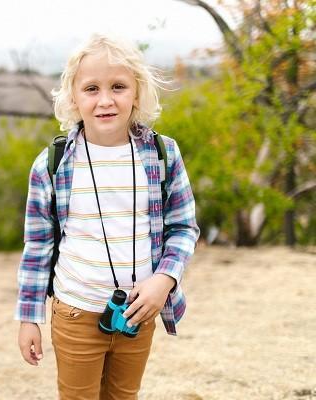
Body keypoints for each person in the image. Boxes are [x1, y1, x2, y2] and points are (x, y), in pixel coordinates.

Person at [14, 33, 200, 400]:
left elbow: (183, 226)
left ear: (137, 92)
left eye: (118, 86)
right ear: (73, 97)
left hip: (138, 311)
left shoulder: (163, 155)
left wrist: (164, 280)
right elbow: (37, 247)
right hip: (75, 311)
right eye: (91, 88)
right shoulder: (51, 165)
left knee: (123, 396)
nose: (105, 100)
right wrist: (28, 317)